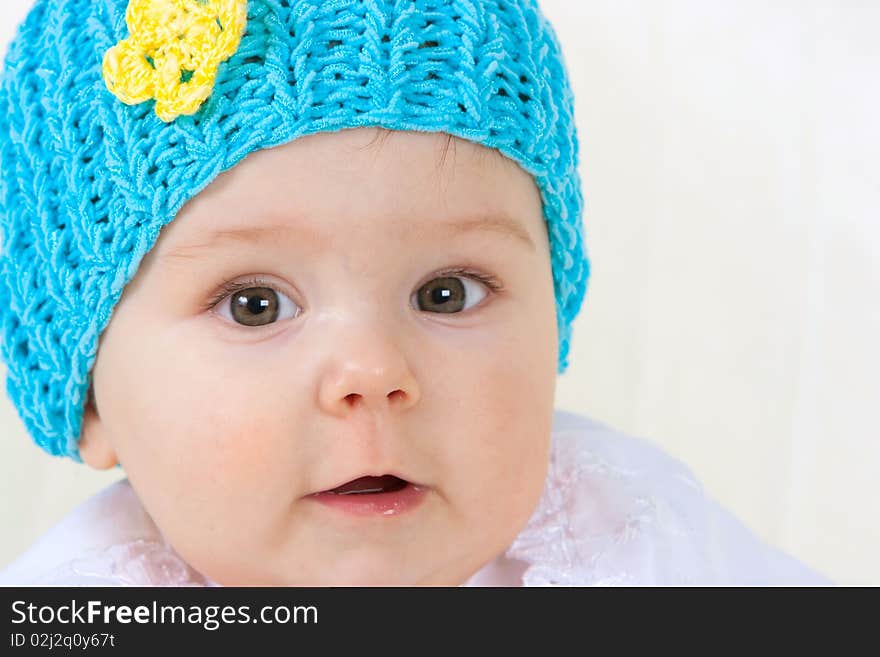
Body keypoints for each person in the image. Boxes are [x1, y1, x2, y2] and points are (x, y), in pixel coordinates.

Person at [0, 0, 829, 586]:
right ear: (91, 398)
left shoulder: (630, 541)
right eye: (255, 304)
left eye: (446, 291)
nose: (372, 371)